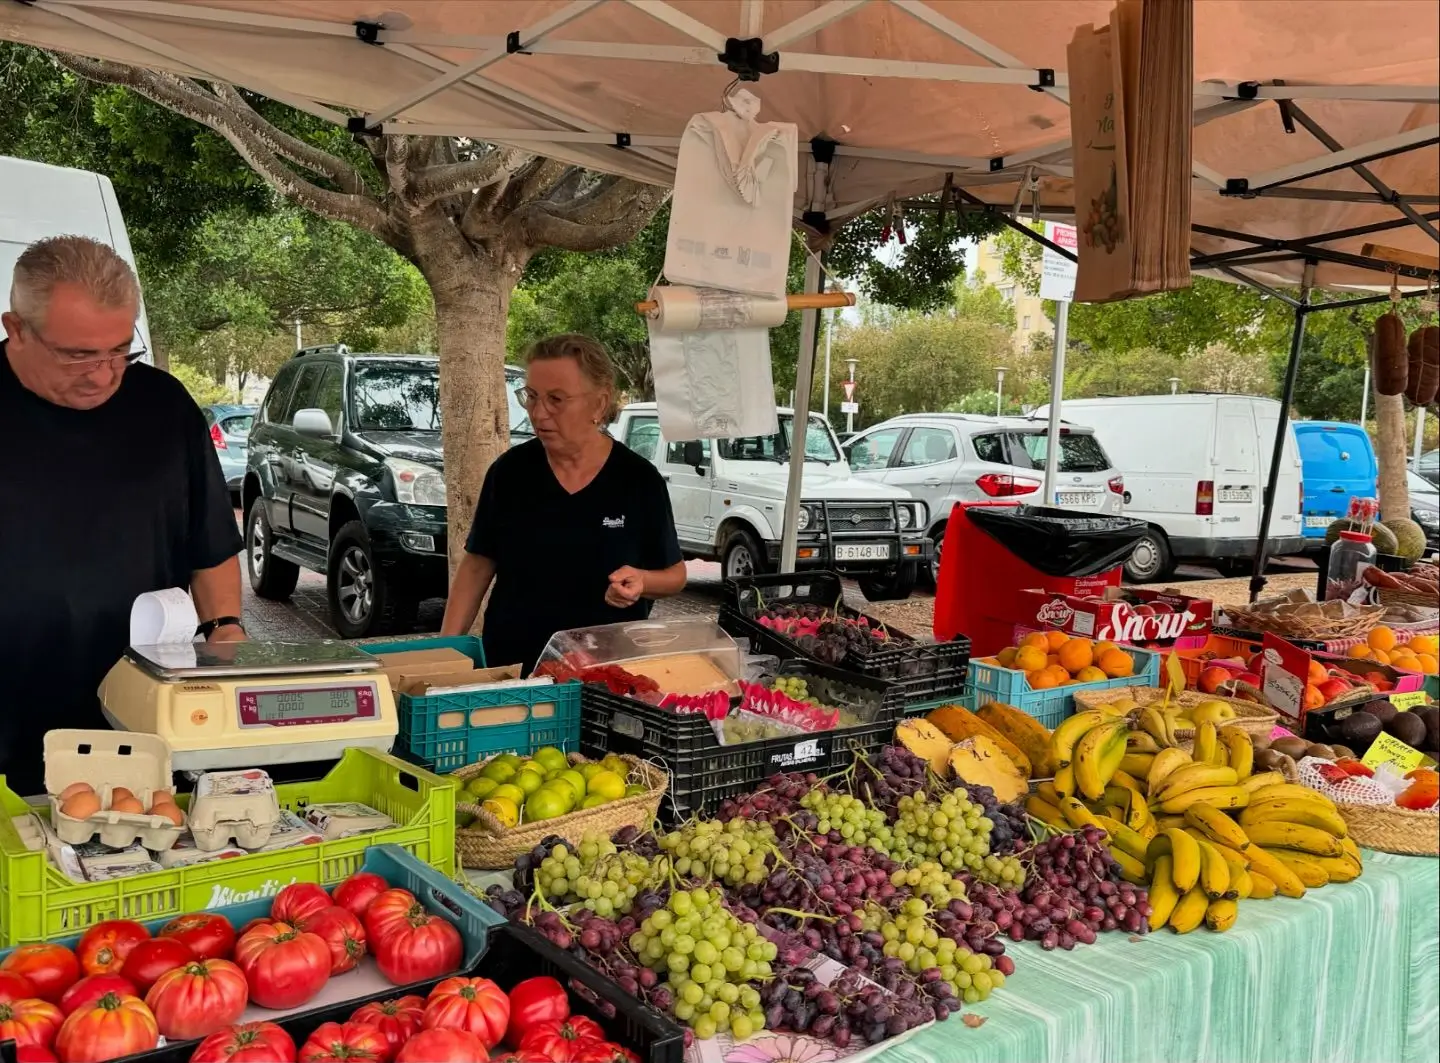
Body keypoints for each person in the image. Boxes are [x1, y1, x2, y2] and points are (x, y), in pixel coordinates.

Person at [0, 236, 245, 796]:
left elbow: (209, 546)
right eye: (78, 355)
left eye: (118, 351)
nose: (103, 374)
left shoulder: (163, 405)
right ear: (16, 329)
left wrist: (225, 636)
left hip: (137, 711)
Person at [441, 334, 686, 672]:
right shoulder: (509, 472)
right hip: (512, 670)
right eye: (531, 397)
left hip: (605, 675)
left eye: (556, 399)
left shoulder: (638, 480)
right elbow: (477, 565)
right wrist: (443, 652)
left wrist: (643, 581)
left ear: (599, 404)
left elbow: (675, 574)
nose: (538, 413)